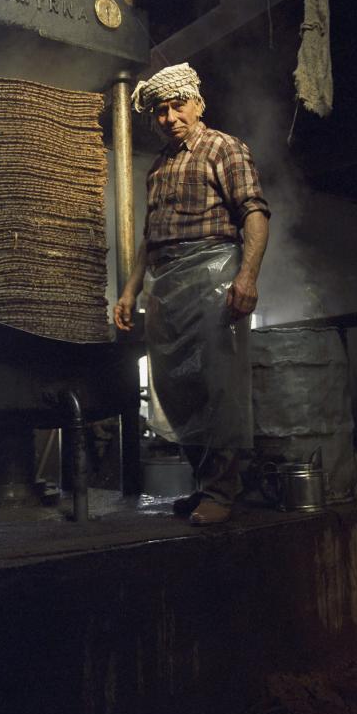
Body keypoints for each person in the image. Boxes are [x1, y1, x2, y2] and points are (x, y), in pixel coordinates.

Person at [114, 63, 270, 525]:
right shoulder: (159, 165)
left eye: (177, 105)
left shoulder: (223, 147)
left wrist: (247, 276)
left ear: (197, 103)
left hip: (212, 273)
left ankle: (223, 491)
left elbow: (255, 213)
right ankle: (205, 486)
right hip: (166, 282)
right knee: (175, 386)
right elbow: (150, 236)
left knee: (214, 383)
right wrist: (129, 291)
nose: (169, 117)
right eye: (160, 111)